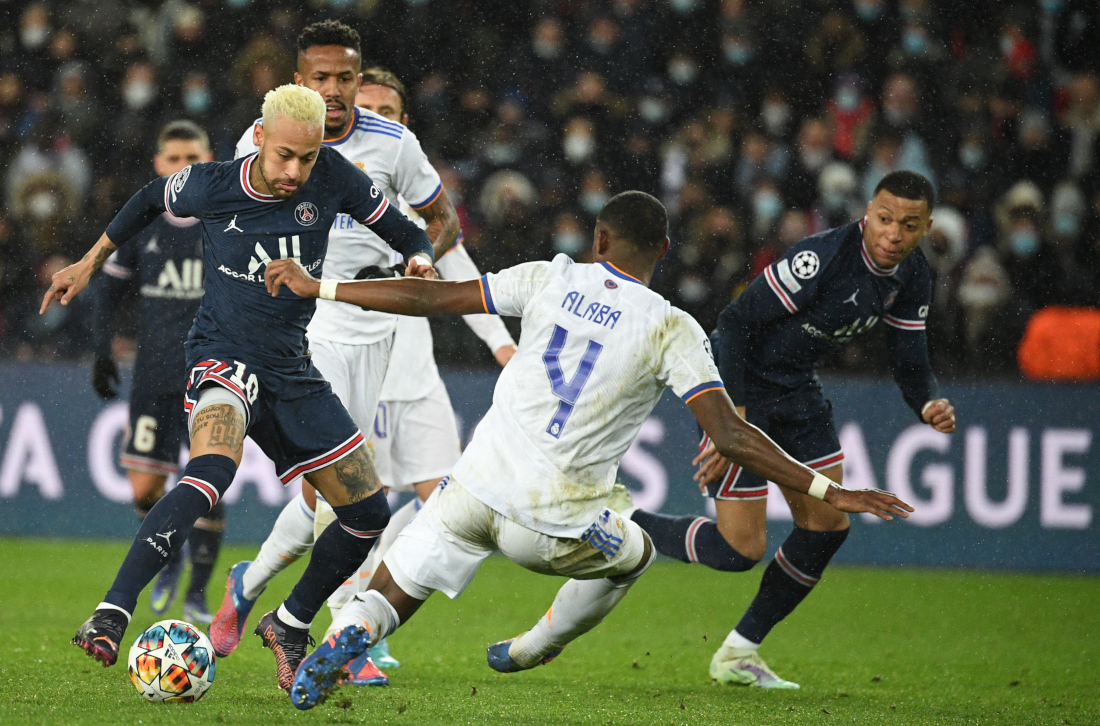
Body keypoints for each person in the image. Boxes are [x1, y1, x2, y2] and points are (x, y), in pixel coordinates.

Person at [260, 190, 914, 710]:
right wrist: (828, 489)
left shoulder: (548, 277)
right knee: (636, 553)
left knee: (403, 580)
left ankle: (355, 631)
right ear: (663, 250)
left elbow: (432, 298)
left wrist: (321, 287)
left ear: (598, 240)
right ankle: (531, 646)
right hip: (554, 524)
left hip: (472, 490)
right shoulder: (671, 326)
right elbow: (731, 436)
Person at [50, 84, 435, 697]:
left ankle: (289, 624)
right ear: (259, 137)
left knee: (367, 514)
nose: (295, 172)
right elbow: (149, 198)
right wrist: (89, 261)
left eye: (307, 158)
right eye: (284, 155)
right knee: (211, 471)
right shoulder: (212, 184)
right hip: (223, 358)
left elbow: (406, 230)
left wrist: (419, 259)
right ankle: (112, 612)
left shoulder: (334, 176)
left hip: (292, 369)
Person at [203, 25, 480, 685]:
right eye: (320, 78)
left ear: (358, 79)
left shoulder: (393, 144)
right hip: (304, 328)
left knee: (331, 495)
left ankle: (250, 583)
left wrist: (420, 258)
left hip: (376, 331)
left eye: (344, 78)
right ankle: (339, 636)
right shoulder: (263, 138)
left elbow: (442, 221)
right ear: (298, 81)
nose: (333, 90)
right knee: (348, 492)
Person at [620, 170, 956, 689]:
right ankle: (622, 520)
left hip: (797, 393)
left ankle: (738, 654)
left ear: (926, 228)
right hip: (740, 387)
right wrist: (730, 420)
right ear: (868, 213)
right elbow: (734, 323)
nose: (894, 234)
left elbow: (909, 355)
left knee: (827, 527)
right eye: (885, 219)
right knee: (738, 551)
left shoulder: (912, 274)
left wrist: (928, 400)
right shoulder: (821, 258)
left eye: (909, 225)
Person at [310, 67, 518, 675]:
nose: (374, 119)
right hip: (350, 364)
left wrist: (501, 346)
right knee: (340, 507)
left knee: (454, 512)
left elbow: (459, 267)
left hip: (416, 376)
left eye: (386, 112)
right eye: (366, 108)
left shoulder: (417, 201)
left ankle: (361, 606)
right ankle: (343, 629)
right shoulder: (332, 191)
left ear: (403, 124)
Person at [89, 120, 221, 624]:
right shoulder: (143, 223)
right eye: (174, 159)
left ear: (209, 160)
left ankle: (198, 593)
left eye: (193, 158)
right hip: (153, 376)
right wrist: (101, 352)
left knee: (208, 482)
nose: (183, 168)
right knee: (144, 490)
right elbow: (106, 292)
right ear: (158, 165)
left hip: (211, 376)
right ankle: (170, 560)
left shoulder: (223, 223)